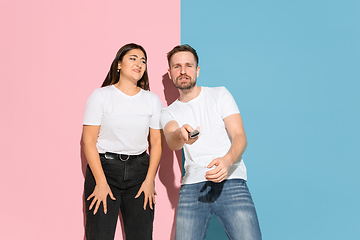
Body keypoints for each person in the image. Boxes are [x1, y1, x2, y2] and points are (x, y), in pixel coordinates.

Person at [161, 44, 262, 240]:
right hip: (192, 187)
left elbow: (240, 136)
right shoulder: (168, 112)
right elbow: (172, 140)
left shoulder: (220, 94)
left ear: (197, 70)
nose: (183, 71)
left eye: (188, 65)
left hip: (231, 180)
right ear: (170, 72)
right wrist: (181, 135)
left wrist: (227, 161)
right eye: (177, 66)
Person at [82, 43, 162, 240]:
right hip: (104, 170)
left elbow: (157, 144)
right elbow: (89, 141)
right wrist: (100, 182)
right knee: (99, 235)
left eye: (143, 60)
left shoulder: (152, 100)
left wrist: (149, 180)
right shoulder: (100, 96)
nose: (139, 64)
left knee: (142, 236)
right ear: (119, 64)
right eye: (133, 58)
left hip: (139, 172)